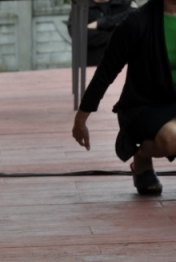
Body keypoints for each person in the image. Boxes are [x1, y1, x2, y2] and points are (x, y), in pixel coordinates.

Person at [72, 0, 176, 196]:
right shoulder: (136, 22)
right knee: (173, 138)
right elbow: (106, 72)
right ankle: (139, 154)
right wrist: (81, 120)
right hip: (145, 105)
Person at [68, 0, 136, 66]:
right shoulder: (80, 7)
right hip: (91, 66)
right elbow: (79, 35)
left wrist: (100, 23)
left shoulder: (124, 3)